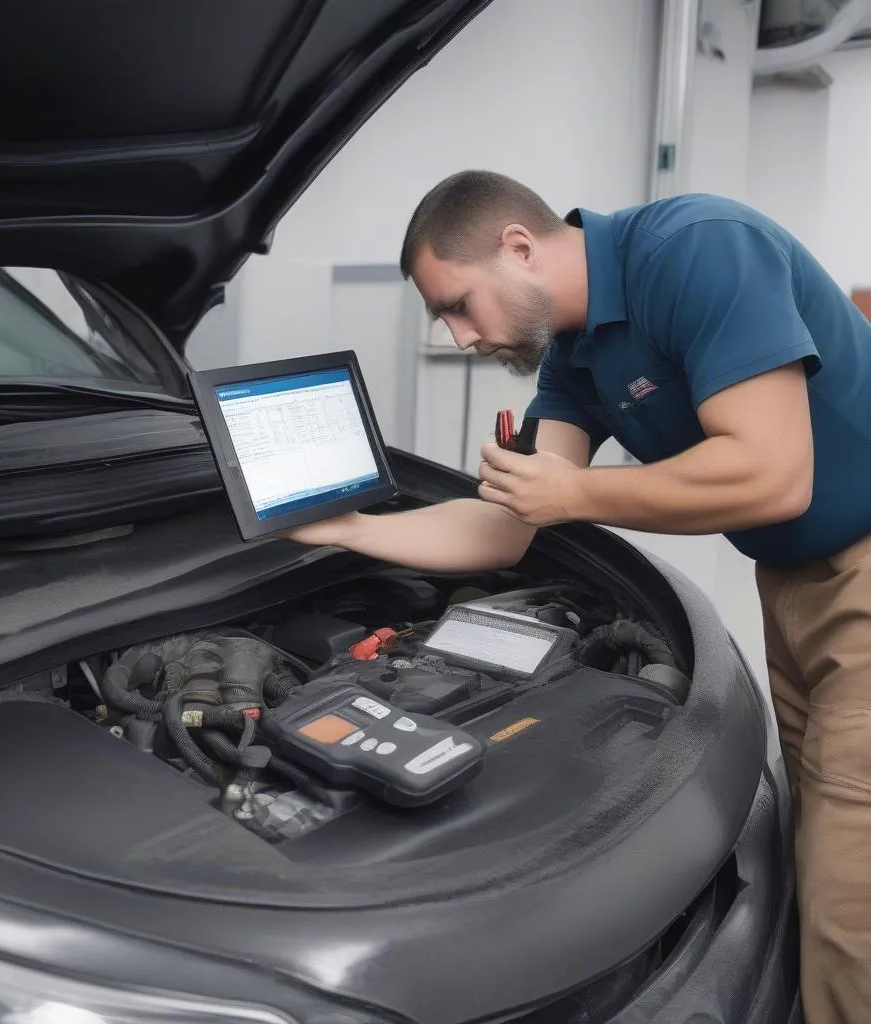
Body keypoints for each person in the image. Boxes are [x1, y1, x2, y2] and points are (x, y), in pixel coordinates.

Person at [283, 170, 871, 1024]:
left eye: (458, 303)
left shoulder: (698, 248)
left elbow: (774, 474)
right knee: (814, 842)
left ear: (518, 248)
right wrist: (348, 530)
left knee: (852, 893)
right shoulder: (576, 355)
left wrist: (578, 495)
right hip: (791, 584)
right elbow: (505, 530)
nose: (456, 335)